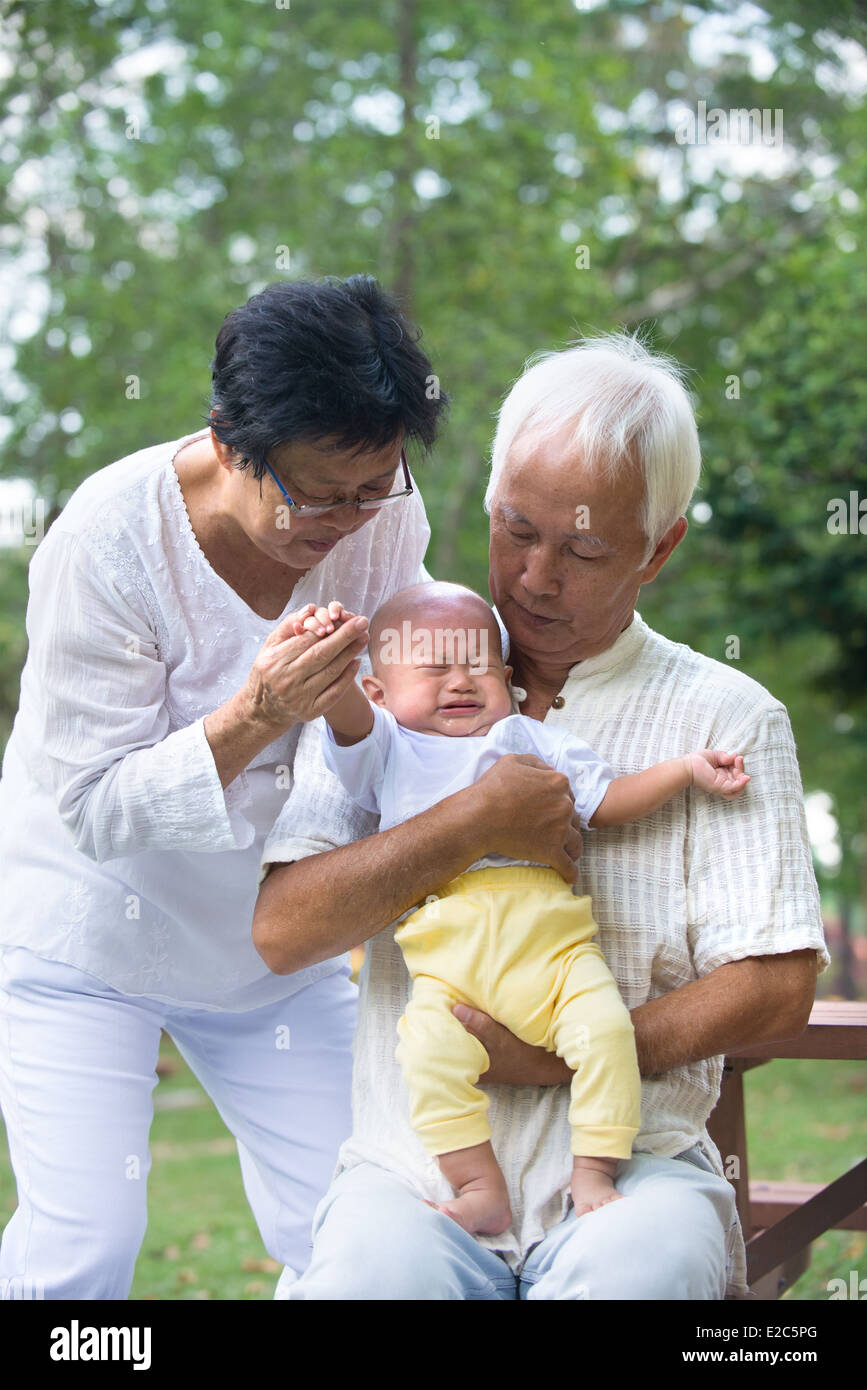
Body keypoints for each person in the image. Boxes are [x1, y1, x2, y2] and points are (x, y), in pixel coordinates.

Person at [253, 332, 829, 1301]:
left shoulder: (726, 715)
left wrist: (568, 1054)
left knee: (646, 1274)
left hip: (635, 1169)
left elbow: (775, 985)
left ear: (661, 546)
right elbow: (284, 931)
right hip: (413, 1175)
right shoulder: (403, 676)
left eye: (586, 548)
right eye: (515, 530)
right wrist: (473, 820)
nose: (535, 578)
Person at [0, 273, 448, 1299]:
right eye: (315, 491)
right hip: (86, 935)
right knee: (85, 1253)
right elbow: (94, 807)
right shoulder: (109, 542)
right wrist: (253, 717)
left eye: (373, 485)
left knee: (372, 1213)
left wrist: (338, 739)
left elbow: (368, 755)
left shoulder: (382, 519)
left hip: (265, 941)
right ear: (228, 437)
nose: (347, 520)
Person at [295, 580, 750, 1237]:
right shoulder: (386, 750)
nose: (458, 680)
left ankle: (593, 1167)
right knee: (425, 1053)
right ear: (378, 692)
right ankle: (478, 1185)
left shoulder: (527, 737)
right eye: (432, 667)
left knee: (605, 1034)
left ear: (506, 680)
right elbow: (344, 716)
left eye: (476, 664)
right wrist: (329, 662)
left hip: (555, 953)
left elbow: (606, 799)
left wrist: (683, 770)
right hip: (449, 969)